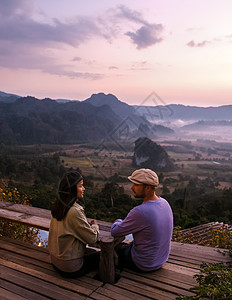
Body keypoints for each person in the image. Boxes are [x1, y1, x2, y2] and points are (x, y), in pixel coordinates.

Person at [111, 168, 173, 272]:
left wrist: (118, 221)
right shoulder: (165, 203)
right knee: (130, 238)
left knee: (118, 247)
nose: (132, 187)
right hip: (160, 260)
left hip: (143, 264)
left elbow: (115, 232)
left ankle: (112, 273)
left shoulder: (140, 211)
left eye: (136, 185)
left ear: (148, 187)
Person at [48, 171, 100, 278]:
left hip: (55, 261)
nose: (84, 189)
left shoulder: (59, 205)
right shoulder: (74, 211)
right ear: (72, 189)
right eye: (81, 186)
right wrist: (95, 226)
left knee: (91, 252)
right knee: (103, 256)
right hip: (70, 268)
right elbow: (93, 238)